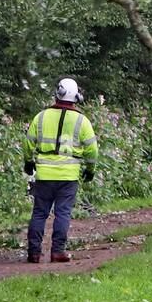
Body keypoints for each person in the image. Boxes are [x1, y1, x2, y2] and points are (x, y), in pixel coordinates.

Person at [23, 78, 98, 263]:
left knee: (39, 213)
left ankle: (33, 252)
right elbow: (92, 150)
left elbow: (28, 142)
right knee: (63, 213)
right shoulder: (82, 121)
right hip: (68, 176)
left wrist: (28, 162)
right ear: (77, 97)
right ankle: (57, 252)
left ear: (57, 93)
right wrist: (90, 169)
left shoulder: (40, 117)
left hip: (44, 175)